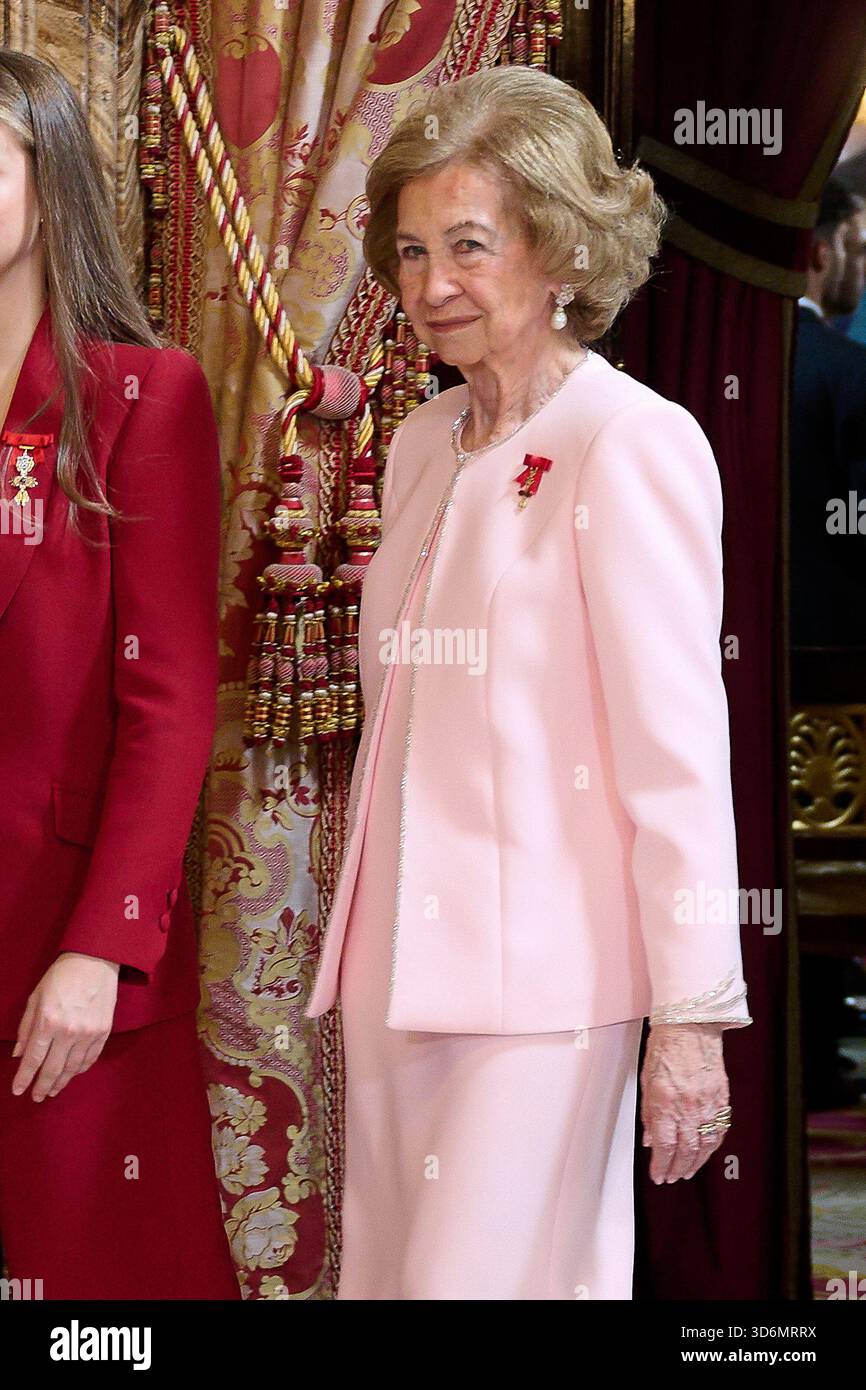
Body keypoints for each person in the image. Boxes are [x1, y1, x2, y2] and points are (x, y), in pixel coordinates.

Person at [305, 66, 752, 1300]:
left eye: (466, 245)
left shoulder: (631, 441)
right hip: (396, 981)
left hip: (543, 993)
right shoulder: (416, 445)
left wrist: (692, 1019)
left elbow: (676, 756)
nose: (428, 286)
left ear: (558, 250)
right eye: (406, 252)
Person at [0, 50, 239, 1299]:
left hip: (62, 948)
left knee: (101, 1299)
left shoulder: (144, 397)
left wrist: (103, 947)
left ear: (52, 184)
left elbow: (171, 707)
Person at [790, 176, 866, 647]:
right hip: (838, 647)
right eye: (854, 249)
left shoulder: (711, 357)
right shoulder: (850, 369)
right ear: (820, 252)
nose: (861, 267)